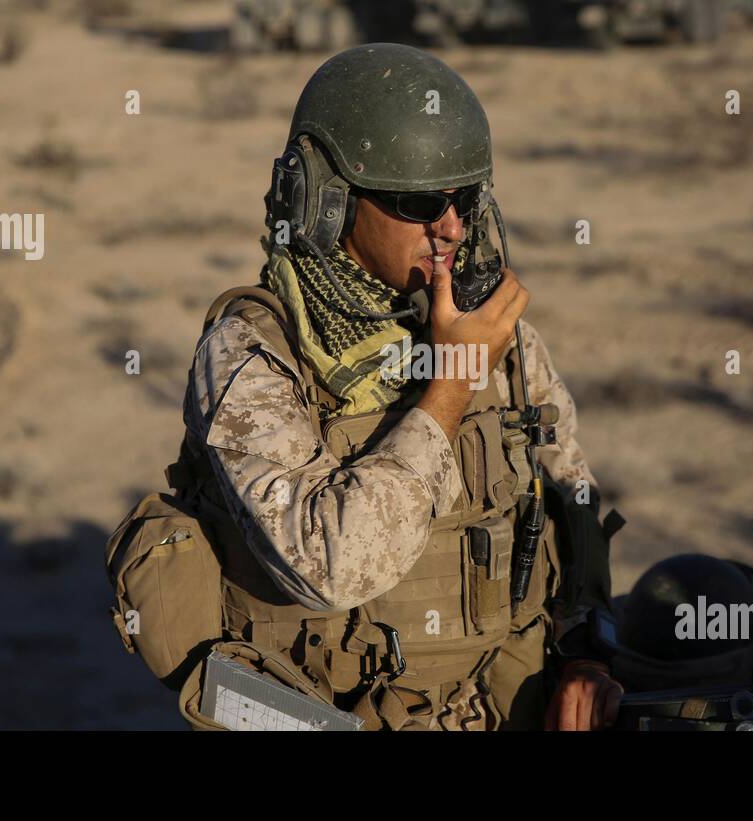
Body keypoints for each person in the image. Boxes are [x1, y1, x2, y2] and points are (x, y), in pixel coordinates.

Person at [168, 43, 623, 731]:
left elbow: (572, 496)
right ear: (326, 202)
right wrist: (450, 387)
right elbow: (332, 566)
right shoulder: (253, 352)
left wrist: (586, 651)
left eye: (466, 197)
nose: (451, 227)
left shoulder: (489, 329)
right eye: (419, 202)